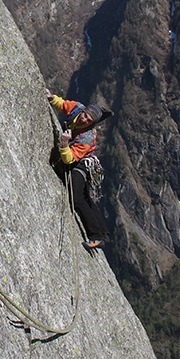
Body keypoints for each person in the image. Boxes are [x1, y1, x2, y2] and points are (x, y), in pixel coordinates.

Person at [47, 89, 112, 250]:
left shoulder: (86, 138)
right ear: (83, 111)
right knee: (85, 196)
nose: (84, 120)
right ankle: (103, 232)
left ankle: (96, 236)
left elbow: (70, 159)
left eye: (88, 120)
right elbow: (62, 104)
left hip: (81, 162)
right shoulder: (76, 108)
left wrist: (63, 144)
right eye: (85, 115)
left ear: (92, 123)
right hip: (77, 156)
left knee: (76, 198)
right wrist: (51, 97)